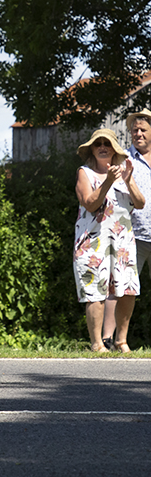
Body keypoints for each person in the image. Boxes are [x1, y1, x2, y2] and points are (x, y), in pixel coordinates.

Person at [74, 128, 144, 352]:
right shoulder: (85, 173)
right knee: (95, 291)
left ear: (115, 150)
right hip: (93, 243)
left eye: (107, 143)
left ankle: (121, 341)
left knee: (128, 290)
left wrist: (129, 180)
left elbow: (140, 203)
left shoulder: (125, 172)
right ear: (92, 150)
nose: (103, 146)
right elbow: (91, 203)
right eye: (98, 144)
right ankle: (97, 343)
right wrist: (108, 182)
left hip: (122, 242)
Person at [101, 110, 151, 348]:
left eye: (143, 130)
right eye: (135, 130)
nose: (138, 134)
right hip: (132, 235)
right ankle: (114, 340)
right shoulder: (123, 160)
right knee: (122, 289)